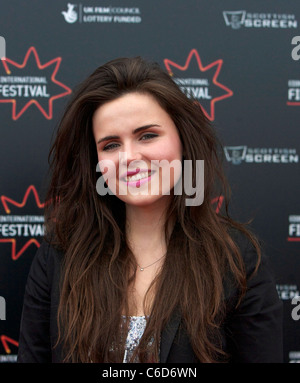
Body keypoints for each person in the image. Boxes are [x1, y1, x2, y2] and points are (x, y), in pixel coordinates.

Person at [17, 56, 283, 363]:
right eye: (111, 145)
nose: (129, 157)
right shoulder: (59, 255)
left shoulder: (237, 260)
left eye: (147, 135)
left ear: (183, 141)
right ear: (97, 163)